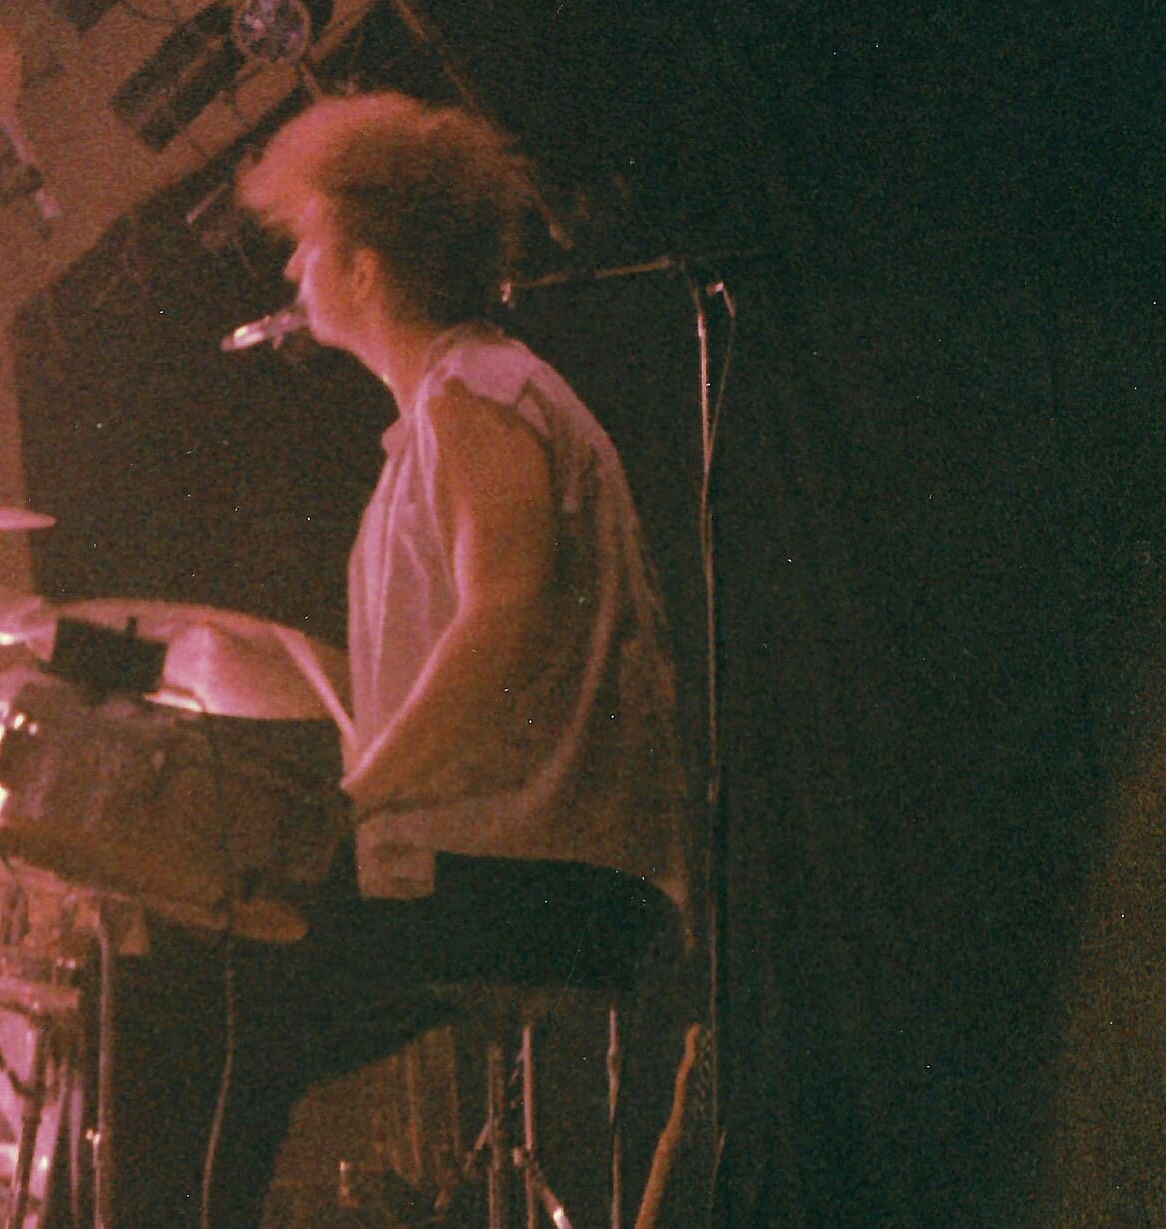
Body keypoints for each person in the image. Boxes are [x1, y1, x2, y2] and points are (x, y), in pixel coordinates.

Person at [48, 91, 690, 1228]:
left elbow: (506, 613)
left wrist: (354, 801)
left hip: (537, 870)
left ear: (365, 267)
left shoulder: (475, 395)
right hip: (519, 858)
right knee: (198, 984)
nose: (290, 268)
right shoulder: (453, 407)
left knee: (185, 988)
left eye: (306, 243)